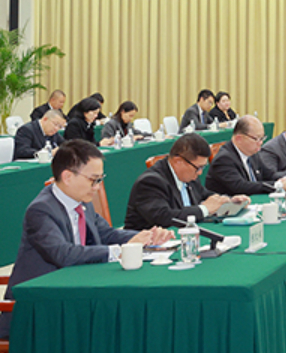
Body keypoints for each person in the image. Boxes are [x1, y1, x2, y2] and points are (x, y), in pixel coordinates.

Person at [0, 141, 174, 338]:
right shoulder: (41, 210)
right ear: (67, 177)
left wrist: (146, 237)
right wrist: (121, 251)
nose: (97, 187)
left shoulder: (81, 201)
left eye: (100, 179)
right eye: (94, 180)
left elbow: (106, 234)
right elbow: (63, 254)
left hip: (70, 294)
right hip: (36, 309)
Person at [125, 133, 239, 230]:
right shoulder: (150, 182)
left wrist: (226, 200)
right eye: (198, 168)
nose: (200, 173)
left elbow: (203, 194)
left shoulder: (189, 174)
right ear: (178, 161)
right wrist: (205, 209)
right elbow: (165, 218)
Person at [206, 116, 286, 195]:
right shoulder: (224, 159)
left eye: (262, 138)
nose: (260, 143)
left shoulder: (252, 153)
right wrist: (278, 185)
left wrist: (284, 179)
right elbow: (241, 187)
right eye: (257, 139)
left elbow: (269, 174)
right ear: (239, 138)